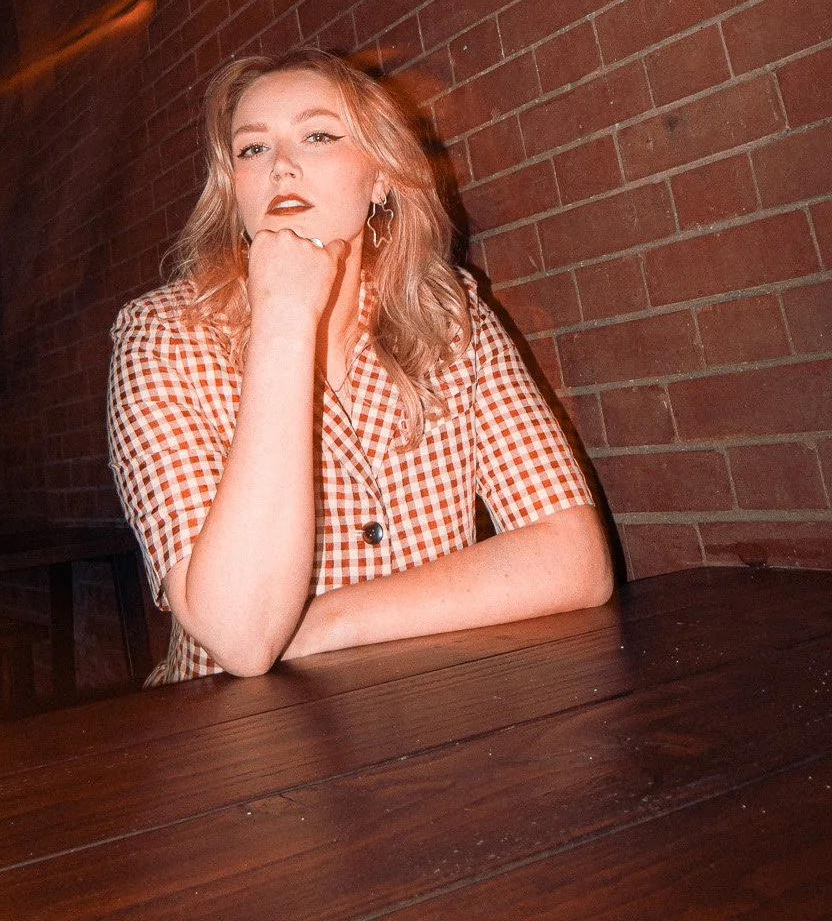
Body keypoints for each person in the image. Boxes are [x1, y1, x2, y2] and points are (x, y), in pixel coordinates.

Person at [108, 47, 613, 682]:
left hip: (433, 708)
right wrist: (285, 320)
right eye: (252, 149)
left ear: (380, 179)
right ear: (232, 188)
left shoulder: (446, 314)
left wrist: (324, 623)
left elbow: (574, 558)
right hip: (237, 747)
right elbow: (241, 635)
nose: (282, 167)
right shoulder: (162, 336)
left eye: (317, 135)